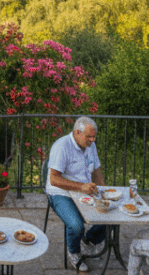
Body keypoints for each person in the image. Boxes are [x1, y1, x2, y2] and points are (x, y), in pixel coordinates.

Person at [45, 116, 107, 272]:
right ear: (77, 133)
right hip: (61, 193)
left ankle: (89, 241)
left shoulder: (90, 145)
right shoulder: (62, 146)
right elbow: (54, 179)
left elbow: (96, 171)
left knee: (109, 210)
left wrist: (104, 194)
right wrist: (81, 187)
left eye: (94, 136)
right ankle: (74, 252)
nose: (92, 140)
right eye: (89, 136)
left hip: (84, 190)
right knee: (76, 225)